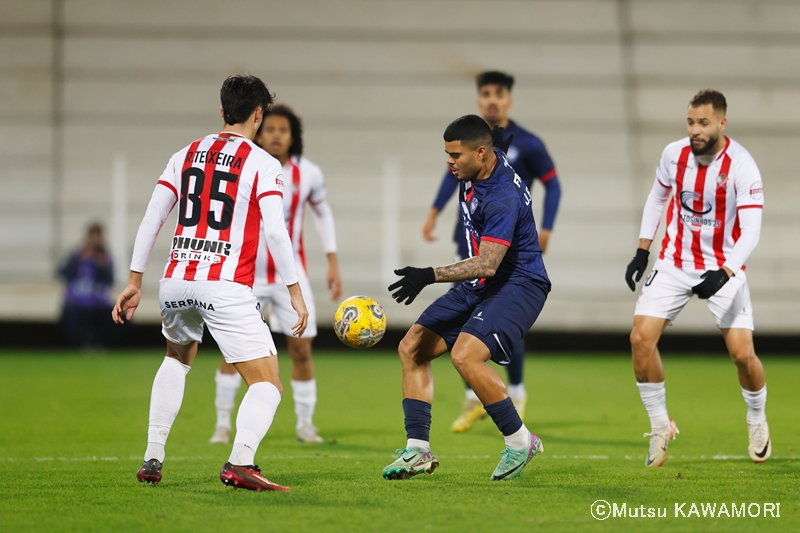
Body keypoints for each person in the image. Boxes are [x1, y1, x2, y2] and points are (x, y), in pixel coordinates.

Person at [112, 74, 309, 492]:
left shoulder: (184, 155)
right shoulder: (262, 163)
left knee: (176, 360)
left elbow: (153, 217)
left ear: (222, 111)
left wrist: (134, 279)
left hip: (176, 280)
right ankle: (241, 462)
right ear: (259, 115)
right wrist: (294, 289)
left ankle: (153, 455)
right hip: (224, 283)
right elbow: (275, 232)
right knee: (268, 384)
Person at [383, 115, 550, 481]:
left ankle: (520, 442)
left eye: (456, 155)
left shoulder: (501, 197)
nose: (449, 162)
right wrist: (496, 144)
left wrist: (428, 275)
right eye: (447, 154)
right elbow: (493, 150)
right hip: (481, 287)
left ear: (479, 153)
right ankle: (418, 451)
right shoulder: (484, 164)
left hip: (519, 284)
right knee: (411, 348)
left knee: (465, 356)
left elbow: (488, 264)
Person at [625, 89, 770, 467]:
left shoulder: (742, 165)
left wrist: (724, 273)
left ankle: (756, 417)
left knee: (743, 356)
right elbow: (657, 199)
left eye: (703, 123)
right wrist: (643, 249)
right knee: (640, 339)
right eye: (691, 122)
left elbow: (751, 230)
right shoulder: (674, 154)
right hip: (674, 261)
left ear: (722, 123)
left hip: (723, 265)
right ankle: (660, 425)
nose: (695, 130)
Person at [421, 71, 561, 433]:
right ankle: (472, 397)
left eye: (499, 93)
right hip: (473, 237)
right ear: (479, 99)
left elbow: (553, 184)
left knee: (495, 323)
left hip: (506, 243)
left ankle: (515, 393)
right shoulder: (471, 149)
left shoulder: (525, 144)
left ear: (509, 99)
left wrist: (546, 227)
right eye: (486, 94)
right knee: (444, 336)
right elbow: (448, 177)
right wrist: (434, 212)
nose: (492, 100)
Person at [209, 104, 341, 445]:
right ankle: (222, 424)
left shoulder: (308, 173)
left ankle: (305, 424)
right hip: (246, 275)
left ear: (293, 135)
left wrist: (332, 262)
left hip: (290, 277)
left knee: (301, 349)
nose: (276, 135)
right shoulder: (244, 166)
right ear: (258, 129)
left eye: (283, 130)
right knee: (232, 351)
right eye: (269, 129)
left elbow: (323, 215)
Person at [58, 223, 120, 348]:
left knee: (117, 318)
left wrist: (101, 265)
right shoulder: (77, 255)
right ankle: (80, 345)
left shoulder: (105, 258)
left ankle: (102, 345)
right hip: (77, 302)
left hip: (98, 303)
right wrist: (78, 259)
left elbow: (110, 280)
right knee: (70, 315)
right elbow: (62, 272)